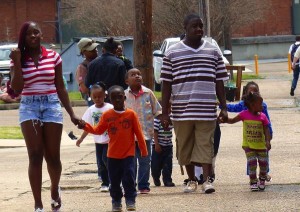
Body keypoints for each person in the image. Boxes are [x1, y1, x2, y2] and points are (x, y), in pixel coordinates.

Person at [9, 21, 81, 212]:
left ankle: (55, 189)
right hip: (29, 106)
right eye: (28, 34)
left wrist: (72, 114)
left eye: (36, 32)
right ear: (23, 38)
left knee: (53, 157)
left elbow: (60, 87)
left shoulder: (54, 57)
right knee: (34, 155)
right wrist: (16, 62)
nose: (32, 36)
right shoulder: (17, 58)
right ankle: (38, 203)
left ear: (41, 35)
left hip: (51, 105)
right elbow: (16, 88)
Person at [160, 13, 228, 194]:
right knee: (184, 145)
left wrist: (224, 107)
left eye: (201, 26)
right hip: (182, 110)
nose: (199, 29)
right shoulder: (172, 52)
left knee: (206, 144)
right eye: (194, 26)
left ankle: (206, 181)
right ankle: (191, 180)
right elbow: (166, 83)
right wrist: (164, 112)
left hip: (206, 109)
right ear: (185, 29)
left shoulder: (213, 51)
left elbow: (219, 80)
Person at [78, 85, 148, 212]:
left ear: (124, 98)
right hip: (112, 155)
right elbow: (98, 130)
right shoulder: (107, 115)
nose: (117, 100)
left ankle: (130, 200)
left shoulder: (131, 114)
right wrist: (85, 126)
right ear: (110, 99)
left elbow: (138, 133)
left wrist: (144, 150)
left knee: (129, 179)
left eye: (119, 97)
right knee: (114, 181)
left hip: (128, 154)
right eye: (114, 98)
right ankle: (116, 202)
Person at [224, 81, 273, 182]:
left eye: (256, 92)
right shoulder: (244, 105)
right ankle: (252, 175)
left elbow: (267, 122)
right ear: (245, 94)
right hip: (250, 138)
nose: (253, 94)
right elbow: (233, 108)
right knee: (251, 158)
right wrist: (222, 105)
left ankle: (264, 173)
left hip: (261, 137)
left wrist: (269, 134)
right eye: (250, 92)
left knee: (264, 157)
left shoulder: (262, 105)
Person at [124, 68, 162, 194]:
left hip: (145, 134)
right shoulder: (123, 95)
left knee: (145, 161)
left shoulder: (148, 93)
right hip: (129, 136)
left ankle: (143, 185)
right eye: (133, 74)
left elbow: (157, 110)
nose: (137, 76)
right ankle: (130, 185)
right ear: (126, 81)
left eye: (139, 74)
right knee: (131, 162)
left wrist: (165, 120)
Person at [76, 82, 113, 192]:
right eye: (95, 97)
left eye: (100, 97)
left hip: (109, 140)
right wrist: (81, 139)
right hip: (98, 141)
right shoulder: (91, 110)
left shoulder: (110, 108)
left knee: (107, 160)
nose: (97, 99)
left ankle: (113, 181)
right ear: (90, 97)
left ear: (105, 96)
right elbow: (87, 126)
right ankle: (105, 183)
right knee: (101, 164)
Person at [85, 37, 127, 102]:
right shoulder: (120, 63)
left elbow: (87, 83)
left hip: (98, 99)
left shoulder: (92, 63)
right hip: (114, 99)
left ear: (103, 49)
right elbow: (124, 84)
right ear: (116, 50)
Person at [151, 100, 175, 187]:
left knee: (168, 164)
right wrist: (157, 144)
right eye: (167, 108)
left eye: (170, 108)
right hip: (158, 145)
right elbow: (155, 132)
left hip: (168, 145)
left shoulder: (171, 118)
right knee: (155, 165)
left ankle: (167, 180)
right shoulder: (157, 119)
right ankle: (156, 177)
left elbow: (175, 125)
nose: (169, 110)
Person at [75, 38, 99, 106]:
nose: (96, 50)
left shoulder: (100, 62)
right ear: (83, 52)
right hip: (93, 97)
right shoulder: (82, 67)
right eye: (92, 50)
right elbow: (83, 88)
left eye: (96, 48)